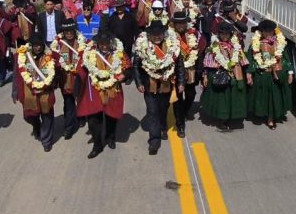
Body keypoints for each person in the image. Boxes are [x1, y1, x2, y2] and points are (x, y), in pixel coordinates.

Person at [76, 31, 131, 159]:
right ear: (98, 44)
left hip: (112, 88)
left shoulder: (119, 53)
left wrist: (125, 75)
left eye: (106, 43)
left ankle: (110, 137)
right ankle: (97, 145)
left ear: (110, 43)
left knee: (111, 116)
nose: (104, 46)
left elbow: (128, 68)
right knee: (93, 120)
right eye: (102, 43)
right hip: (94, 89)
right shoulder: (89, 54)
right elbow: (81, 69)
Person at [133, 20, 180, 155]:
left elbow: (179, 65)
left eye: (159, 34)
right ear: (150, 35)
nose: (157, 36)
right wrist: (139, 83)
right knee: (152, 111)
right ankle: (154, 141)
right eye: (154, 34)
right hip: (149, 85)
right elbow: (135, 66)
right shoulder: (142, 46)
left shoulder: (171, 46)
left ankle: (163, 127)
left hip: (165, 84)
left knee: (163, 108)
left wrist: (180, 82)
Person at [200, 23, 252, 130]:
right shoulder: (214, 46)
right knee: (222, 98)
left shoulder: (236, 46)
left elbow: (243, 61)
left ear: (230, 34)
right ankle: (221, 119)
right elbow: (207, 63)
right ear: (218, 34)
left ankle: (231, 115)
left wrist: (248, 73)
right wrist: (205, 76)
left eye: (227, 34)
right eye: (222, 34)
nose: (224, 36)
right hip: (219, 75)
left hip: (234, 74)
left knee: (232, 97)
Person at [12, 34, 58, 151]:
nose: (38, 48)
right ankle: (36, 126)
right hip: (29, 93)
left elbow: (55, 72)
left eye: (40, 45)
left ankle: (46, 141)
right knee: (29, 116)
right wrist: (15, 91)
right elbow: (17, 75)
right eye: (36, 45)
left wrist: (52, 84)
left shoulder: (49, 56)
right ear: (31, 46)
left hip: (45, 91)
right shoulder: (22, 56)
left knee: (47, 116)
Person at [246, 20, 294, 130]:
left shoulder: (280, 44)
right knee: (263, 97)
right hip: (262, 75)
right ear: (261, 32)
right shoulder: (256, 45)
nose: (268, 35)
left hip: (276, 75)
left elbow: (286, 58)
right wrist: (249, 73)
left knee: (274, 97)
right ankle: (262, 112)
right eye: (266, 32)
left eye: (271, 32)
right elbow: (250, 59)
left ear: (274, 32)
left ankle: (271, 119)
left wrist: (290, 73)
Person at [170, 11, 205, 137]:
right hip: (176, 72)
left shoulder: (194, 34)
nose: (180, 25)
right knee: (178, 98)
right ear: (174, 24)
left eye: (183, 22)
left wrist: (200, 70)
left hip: (191, 70)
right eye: (178, 23)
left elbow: (200, 51)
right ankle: (180, 125)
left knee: (191, 94)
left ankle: (184, 111)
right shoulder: (169, 36)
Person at [50, 19, 86, 140]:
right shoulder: (58, 45)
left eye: (71, 31)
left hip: (79, 78)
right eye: (66, 31)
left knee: (81, 99)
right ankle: (68, 128)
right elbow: (52, 62)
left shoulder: (82, 42)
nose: (68, 33)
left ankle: (81, 116)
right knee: (68, 103)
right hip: (65, 80)